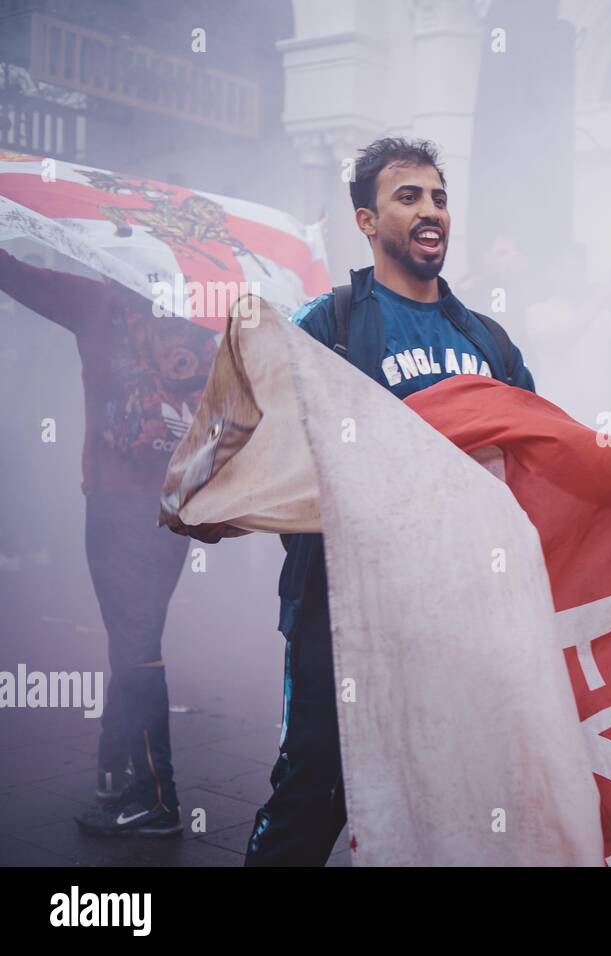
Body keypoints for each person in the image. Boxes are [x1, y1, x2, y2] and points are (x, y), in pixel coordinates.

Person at [174, 137, 535, 865]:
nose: (431, 211)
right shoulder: (328, 325)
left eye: (438, 197)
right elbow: (242, 431)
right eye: (409, 197)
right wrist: (207, 496)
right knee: (313, 791)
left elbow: (537, 455)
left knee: (449, 791)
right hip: (339, 613)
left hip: (459, 611)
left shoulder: (487, 338)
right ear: (367, 221)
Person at [0, 248, 217, 837]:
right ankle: (116, 767)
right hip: (178, 506)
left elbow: (18, 275)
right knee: (136, 639)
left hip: (119, 506)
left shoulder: (96, 302)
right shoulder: (206, 320)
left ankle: (157, 797)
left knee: (135, 644)